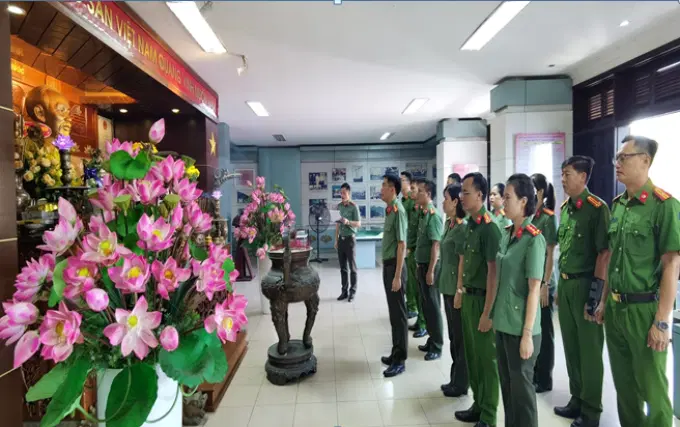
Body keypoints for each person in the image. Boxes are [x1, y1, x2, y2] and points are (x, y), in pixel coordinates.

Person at [591, 136, 680, 427]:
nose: (617, 163)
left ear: (645, 160)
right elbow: (613, 259)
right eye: (616, 158)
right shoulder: (618, 205)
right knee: (625, 387)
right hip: (616, 308)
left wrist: (662, 321)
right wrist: (603, 301)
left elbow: (672, 265)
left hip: (645, 311)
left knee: (652, 388)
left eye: (623, 158)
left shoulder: (664, 205)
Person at [554, 156, 610, 427]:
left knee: (589, 352)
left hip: (586, 284)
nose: (563, 179)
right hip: (566, 284)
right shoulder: (565, 208)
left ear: (583, 177)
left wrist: (596, 297)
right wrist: (558, 286)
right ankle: (576, 398)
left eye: (567, 174)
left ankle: (591, 411)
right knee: (571, 348)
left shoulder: (597, 209)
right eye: (562, 174)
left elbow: (604, 254)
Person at [492, 174, 545, 427]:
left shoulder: (534, 239)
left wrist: (527, 334)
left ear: (523, 201)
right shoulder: (507, 233)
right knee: (508, 387)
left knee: (522, 393)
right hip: (503, 323)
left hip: (521, 327)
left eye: (508, 197)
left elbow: (534, 290)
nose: (503, 201)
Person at [455, 172, 502, 427]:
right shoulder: (470, 225)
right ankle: (478, 404)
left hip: (484, 301)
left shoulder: (489, 227)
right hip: (469, 299)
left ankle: (489, 415)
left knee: (487, 361)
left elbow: (494, 274)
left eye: (466, 192)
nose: (461, 197)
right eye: (461, 192)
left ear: (480, 195)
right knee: (473, 357)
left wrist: (488, 312)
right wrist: (460, 291)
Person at [438, 183, 469, 398]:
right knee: (453, 336)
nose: (443, 202)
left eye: (446, 198)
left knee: (459, 338)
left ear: (455, 201)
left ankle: (461, 382)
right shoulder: (449, 224)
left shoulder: (461, 228)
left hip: (455, 289)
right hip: (446, 287)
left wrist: (459, 290)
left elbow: (462, 261)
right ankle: (454, 378)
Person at [378, 174, 409, 378]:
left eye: (384, 185)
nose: (381, 189)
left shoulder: (398, 211)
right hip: (388, 266)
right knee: (393, 314)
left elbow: (401, 245)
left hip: (395, 268)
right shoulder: (389, 210)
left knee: (399, 315)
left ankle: (400, 361)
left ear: (392, 190)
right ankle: (395, 352)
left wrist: (397, 276)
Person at [530, 173, 558, 393]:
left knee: (545, 333)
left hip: (544, 283)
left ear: (540, 192)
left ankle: (544, 377)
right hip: (533, 281)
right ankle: (535, 372)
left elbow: (550, 254)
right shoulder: (532, 216)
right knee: (534, 330)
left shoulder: (548, 218)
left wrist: (545, 284)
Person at [414, 179, 444, 360]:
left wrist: (431, 270)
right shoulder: (423, 214)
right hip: (422, 265)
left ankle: (437, 345)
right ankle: (431, 339)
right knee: (426, 305)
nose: (416, 194)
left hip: (430, 267)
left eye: (420, 191)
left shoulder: (433, 216)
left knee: (433, 306)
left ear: (428, 195)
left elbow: (436, 245)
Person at [408, 178, 428, 338]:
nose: (412, 192)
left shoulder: (425, 213)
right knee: (414, 289)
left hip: (419, 255)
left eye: (414, 189)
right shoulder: (415, 210)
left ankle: (423, 323)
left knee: (422, 294)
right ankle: (419, 320)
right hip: (412, 254)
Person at [335, 182, 361, 302]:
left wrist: (348, 222)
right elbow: (337, 225)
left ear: (349, 193)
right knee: (343, 268)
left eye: (344, 193)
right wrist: (336, 240)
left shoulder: (353, 207)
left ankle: (352, 292)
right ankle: (344, 291)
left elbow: (359, 224)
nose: (342, 195)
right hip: (341, 240)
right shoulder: (339, 206)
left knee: (352, 268)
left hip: (350, 240)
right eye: (341, 193)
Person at [400, 171, 421, 321]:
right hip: (406, 246)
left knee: (413, 282)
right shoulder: (403, 200)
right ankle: (411, 305)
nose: (399, 182)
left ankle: (413, 308)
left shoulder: (413, 202)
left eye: (402, 180)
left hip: (412, 247)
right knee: (407, 281)